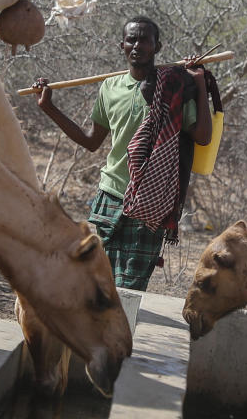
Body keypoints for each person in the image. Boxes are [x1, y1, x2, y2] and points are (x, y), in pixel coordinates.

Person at [33, 16, 212, 290]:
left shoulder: (174, 87)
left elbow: (203, 137)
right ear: (122, 45)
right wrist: (49, 108)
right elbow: (92, 141)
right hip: (111, 196)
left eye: (144, 40)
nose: (137, 45)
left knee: (129, 289)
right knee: (102, 285)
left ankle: (119, 333)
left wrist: (199, 84)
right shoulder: (110, 87)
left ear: (157, 46)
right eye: (132, 39)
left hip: (151, 201)